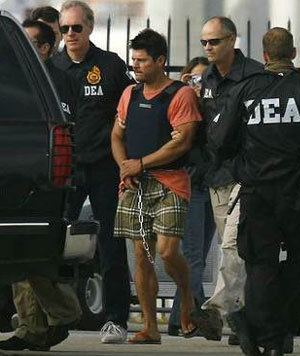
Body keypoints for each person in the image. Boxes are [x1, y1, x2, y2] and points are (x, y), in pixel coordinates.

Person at [208, 27, 300, 356]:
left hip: (257, 194)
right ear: (292, 54)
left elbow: (218, 142)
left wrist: (245, 158)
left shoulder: (245, 91)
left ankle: (260, 329)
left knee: (262, 264)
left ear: (264, 56)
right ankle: (271, 334)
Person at [111, 28, 202, 344]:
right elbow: (116, 136)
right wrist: (126, 166)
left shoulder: (181, 94)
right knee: (141, 257)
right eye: (133, 59)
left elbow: (182, 143)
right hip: (135, 185)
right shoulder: (130, 94)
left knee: (166, 251)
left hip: (170, 183)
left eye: (143, 60)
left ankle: (187, 294)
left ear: (161, 60)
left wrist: (141, 163)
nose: (136, 65)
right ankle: (150, 328)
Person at [51, 0, 133, 344]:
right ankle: (49, 315)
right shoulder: (50, 67)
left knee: (111, 243)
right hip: (64, 169)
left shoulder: (110, 66)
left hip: (103, 167)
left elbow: (129, 113)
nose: (70, 34)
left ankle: (116, 318)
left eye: (76, 28)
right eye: (65, 28)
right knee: (52, 240)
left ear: (89, 28)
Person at [0, 19, 81, 352]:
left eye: (34, 43)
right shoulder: (15, 81)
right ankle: (32, 327)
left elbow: (66, 127)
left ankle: (62, 314)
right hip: (34, 167)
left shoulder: (57, 81)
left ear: (46, 49)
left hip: (47, 171)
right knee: (18, 254)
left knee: (31, 253)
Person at [191, 16, 263, 343]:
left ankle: (216, 310)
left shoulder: (254, 76)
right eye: (205, 42)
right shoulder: (206, 78)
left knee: (234, 244)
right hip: (217, 174)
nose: (208, 47)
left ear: (232, 40)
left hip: (245, 174)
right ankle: (243, 320)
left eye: (215, 41)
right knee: (233, 250)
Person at [168, 56, 216, 337]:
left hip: (210, 183)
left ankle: (182, 316)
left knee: (201, 254)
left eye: (204, 79)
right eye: (194, 79)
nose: (199, 85)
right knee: (193, 256)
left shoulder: (213, 107)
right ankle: (188, 317)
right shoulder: (181, 105)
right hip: (189, 183)